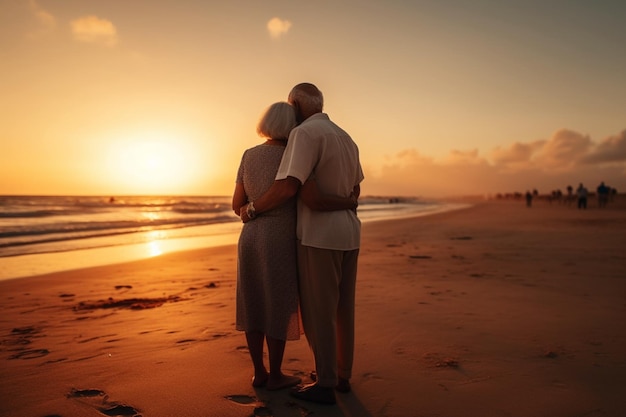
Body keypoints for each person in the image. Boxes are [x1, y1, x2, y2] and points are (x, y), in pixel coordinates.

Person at [240, 83, 363, 405]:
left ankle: (325, 383)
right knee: (343, 309)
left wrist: (252, 209)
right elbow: (355, 191)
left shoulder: (304, 135)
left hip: (319, 237)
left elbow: (296, 190)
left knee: (318, 313)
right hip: (350, 235)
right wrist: (348, 205)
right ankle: (342, 374)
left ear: (295, 105)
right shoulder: (346, 137)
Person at [232, 102, 302, 391]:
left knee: (253, 301)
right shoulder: (294, 156)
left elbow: (237, 206)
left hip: (249, 236)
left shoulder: (249, 155)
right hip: (280, 236)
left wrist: (253, 210)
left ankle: (258, 372)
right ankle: (275, 374)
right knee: (279, 303)